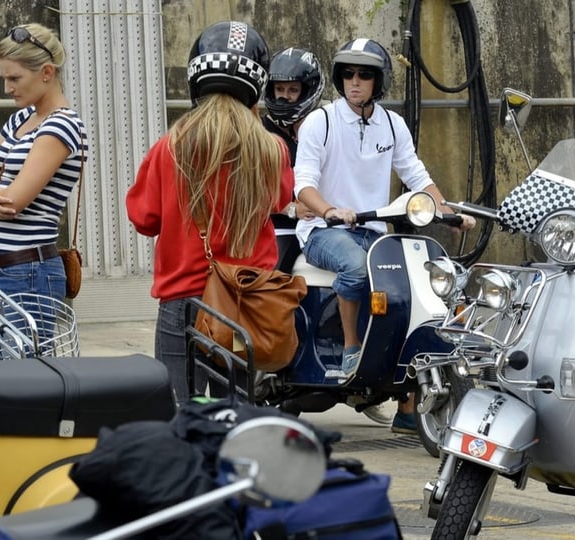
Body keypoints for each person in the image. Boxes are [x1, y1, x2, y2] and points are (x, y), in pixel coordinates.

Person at [293, 37, 475, 433]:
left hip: (375, 232)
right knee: (357, 270)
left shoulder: (392, 125)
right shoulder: (320, 122)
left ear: (380, 81)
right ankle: (351, 348)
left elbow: (416, 176)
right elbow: (302, 184)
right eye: (348, 74)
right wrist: (329, 210)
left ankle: (408, 405)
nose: (354, 81)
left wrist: (450, 213)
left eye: (364, 75)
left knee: (417, 290)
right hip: (326, 232)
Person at [127, 20, 293, 405]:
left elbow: (144, 219)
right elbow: (280, 201)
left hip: (182, 302)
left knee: (177, 409)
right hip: (243, 304)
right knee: (233, 408)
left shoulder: (170, 148)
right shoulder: (271, 151)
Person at [0, 23, 87, 302]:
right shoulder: (20, 119)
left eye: (15, 78)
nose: (7, 88)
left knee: (24, 349)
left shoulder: (63, 125)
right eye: (4, 78)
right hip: (2, 271)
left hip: (26, 271)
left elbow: (10, 203)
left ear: (46, 72)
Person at [263, 46, 325, 273]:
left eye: (292, 90)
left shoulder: (323, 128)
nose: (284, 96)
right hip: (277, 228)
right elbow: (243, 193)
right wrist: (289, 210)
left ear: (308, 91)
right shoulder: (258, 133)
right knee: (267, 287)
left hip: (323, 226)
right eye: (279, 89)